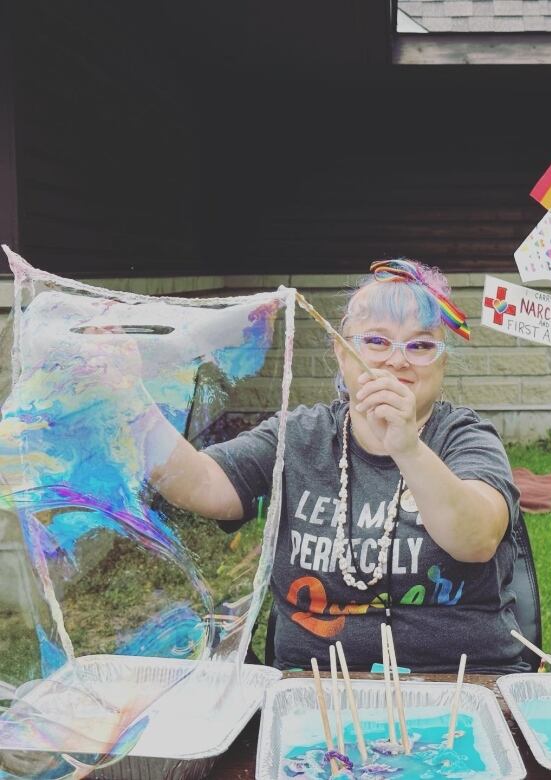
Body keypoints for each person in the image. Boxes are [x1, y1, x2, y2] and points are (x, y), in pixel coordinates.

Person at [149, 258, 528, 674]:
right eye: (377, 342)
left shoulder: (466, 437)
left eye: (420, 345)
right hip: (314, 687)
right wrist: (128, 406)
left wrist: (407, 447)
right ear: (341, 352)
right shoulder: (300, 436)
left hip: (463, 683)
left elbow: (475, 539)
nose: (398, 362)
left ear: (442, 361)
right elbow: (202, 483)